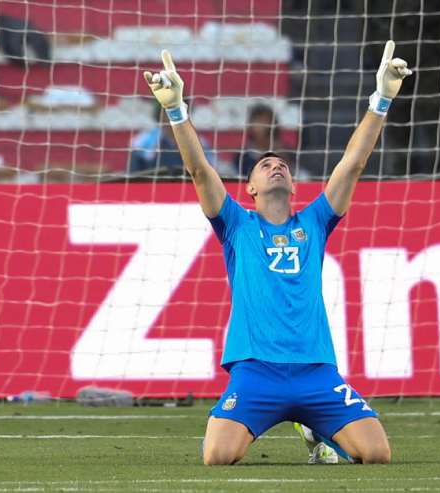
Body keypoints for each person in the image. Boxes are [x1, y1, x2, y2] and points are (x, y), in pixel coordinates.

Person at [143, 41, 411, 465]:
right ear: (249, 188)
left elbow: (352, 165)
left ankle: (316, 428)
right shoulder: (236, 224)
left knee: (377, 454)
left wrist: (381, 99)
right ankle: (298, 422)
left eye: (281, 163)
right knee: (217, 456)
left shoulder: (314, 222)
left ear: (292, 183)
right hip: (256, 372)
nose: (275, 165)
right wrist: (176, 109)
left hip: (316, 372)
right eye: (264, 164)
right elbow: (199, 170)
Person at [232, 104, 295, 178]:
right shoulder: (242, 156)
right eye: (258, 121)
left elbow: (298, 175)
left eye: (265, 121)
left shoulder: (287, 152)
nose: (262, 127)